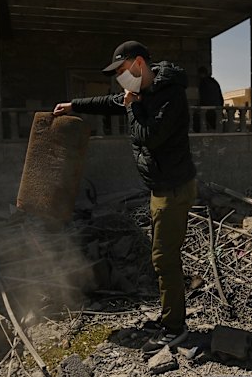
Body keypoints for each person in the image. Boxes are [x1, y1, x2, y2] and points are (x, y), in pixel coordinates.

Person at [53, 41, 197, 354]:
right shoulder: (142, 90)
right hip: (162, 187)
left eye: (122, 70)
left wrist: (131, 105)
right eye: (117, 73)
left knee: (164, 258)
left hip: (173, 190)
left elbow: (148, 134)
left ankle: (175, 328)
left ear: (139, 63)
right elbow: (109, 102)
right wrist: (74, 105)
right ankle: (170, 316)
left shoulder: (169, 95)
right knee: (163, 256)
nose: (120, 78)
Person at [196, 66, 224, 131]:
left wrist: (200, 107)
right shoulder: (214, 82)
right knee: (217, 129)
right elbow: (220, 97)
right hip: (217, 108)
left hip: (209, 110)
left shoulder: (203, 83)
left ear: (200, 74)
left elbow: (203, 97)